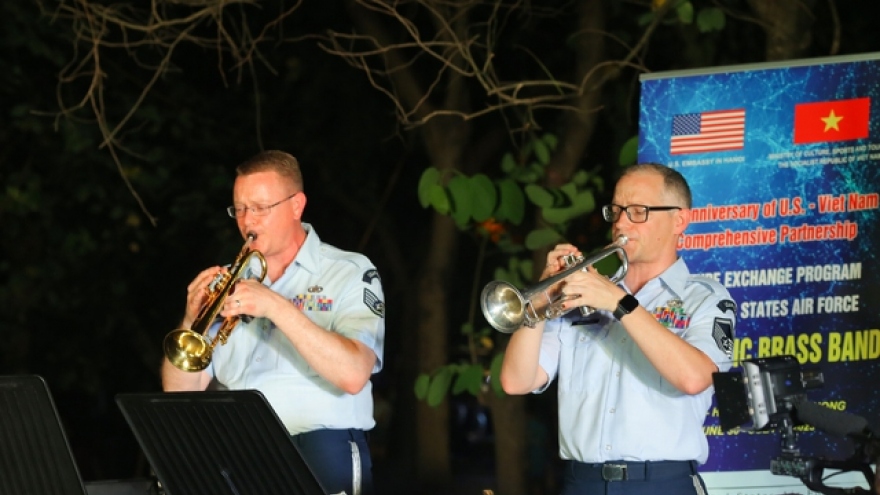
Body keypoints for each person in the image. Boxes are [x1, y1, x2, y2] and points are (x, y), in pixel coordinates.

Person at [500, 163, 736, 495]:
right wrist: (538, 302)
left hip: (660, 483)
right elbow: (516, 381)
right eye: (617, 210)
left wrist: (619, 302)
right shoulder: (585, 296)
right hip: (582, 483)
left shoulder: (704, 298)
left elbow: (695, 378)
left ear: (679, 220)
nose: (621, 223)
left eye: (638, 211)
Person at [162, 150, 385, 495]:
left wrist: (276, 306)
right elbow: (178, 393)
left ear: (297, 205)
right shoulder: (230, 282)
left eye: (260, 208)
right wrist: (192, 322)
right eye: (239, 208)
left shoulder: (349, 271)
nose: (247, 221)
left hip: (321, 451)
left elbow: (354, 373)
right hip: (240, 454)